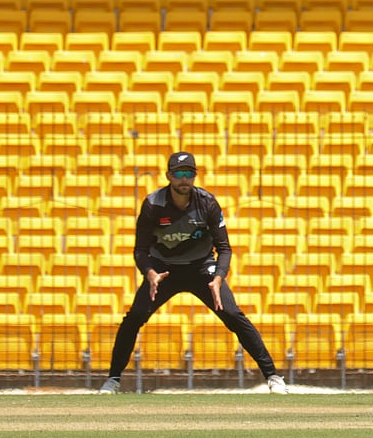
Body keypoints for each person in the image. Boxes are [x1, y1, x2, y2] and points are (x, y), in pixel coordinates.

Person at [98, 152, 287, 394]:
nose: (184, 179)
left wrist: (218, 278)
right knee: (134, 317)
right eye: (179, 173)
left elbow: (224, 248)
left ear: (195, 176)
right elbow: (140, 250)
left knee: (233, 314)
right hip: (164, 270)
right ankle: (113, 380)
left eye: (189, 173)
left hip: (201, 268)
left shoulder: (207, 203)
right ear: (169, 176)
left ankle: (273, 376)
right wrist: (150, 273)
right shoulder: (153, 204)